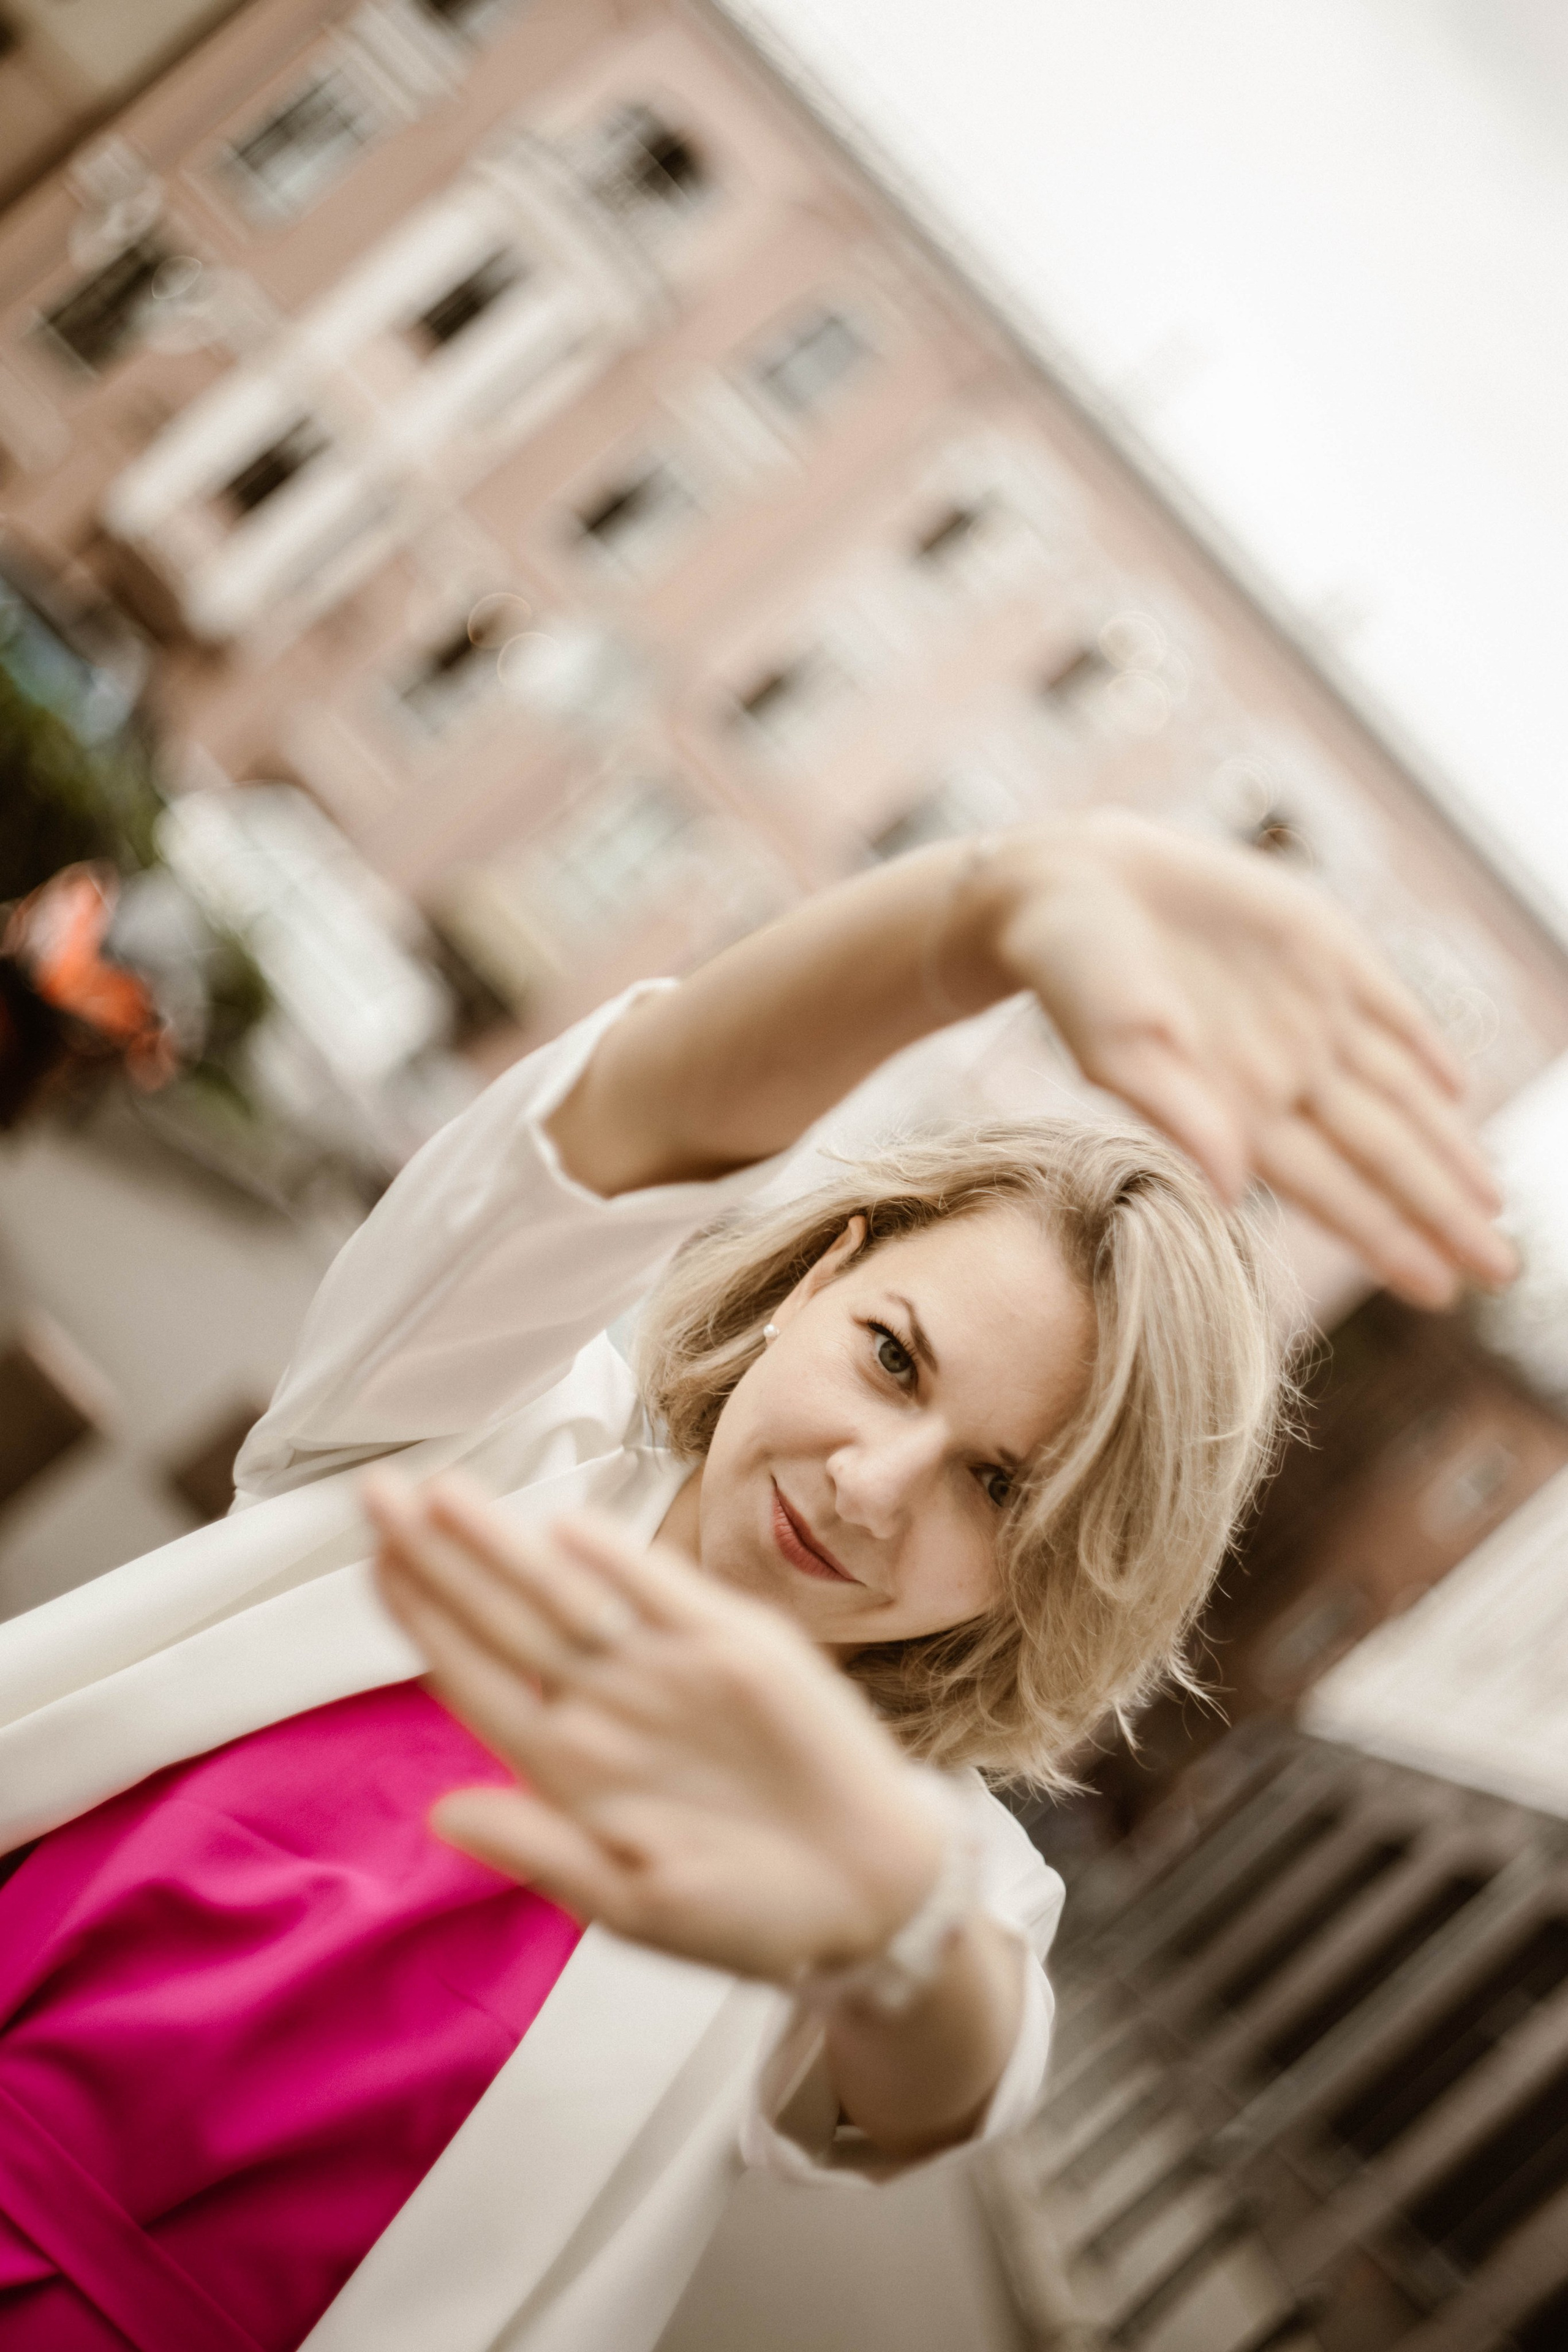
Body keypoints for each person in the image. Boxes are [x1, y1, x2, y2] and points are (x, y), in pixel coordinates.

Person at [0, 815, 1512, 2352]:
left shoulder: (930, 1862)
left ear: (1048, 1577)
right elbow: (626, 1123)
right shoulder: (471, 1428)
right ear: (814, 1277)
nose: (870, 1482)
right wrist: (965, 918)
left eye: (995, 1487)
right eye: (890, 1356)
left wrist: (890, 1932)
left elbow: (939, 2082)